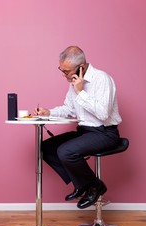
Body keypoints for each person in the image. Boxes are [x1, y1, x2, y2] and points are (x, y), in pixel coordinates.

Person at [33, 46, 122, 209]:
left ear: (80, 68)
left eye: (66, 71)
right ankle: (83, 184)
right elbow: (69, 109)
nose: (63, 74)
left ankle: (95, 186)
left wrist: (80, 92)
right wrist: (49, 112)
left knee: (66, 151)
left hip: (105, 133)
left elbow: (103, 114)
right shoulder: (74, 81)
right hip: (85, 132)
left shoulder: (102, 79)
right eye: (62, 69)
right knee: (46, 147)